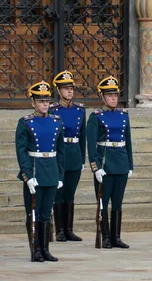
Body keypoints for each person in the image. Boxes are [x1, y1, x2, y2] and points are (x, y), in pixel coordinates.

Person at [16, 80, 64, 262]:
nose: (44, 104)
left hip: (50, 170)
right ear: (33, 103)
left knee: (45, 213)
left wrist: (60, 174)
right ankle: (35, 250)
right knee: (33, 213)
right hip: (35, 172)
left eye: (47, 101)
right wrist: (27, 175)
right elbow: (21, 152)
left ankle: (45, 249)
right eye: (41, 101)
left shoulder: (56, 122)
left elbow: (61, 152)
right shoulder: (25, 123)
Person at [87, 76, 133, 249]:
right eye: (110, 95)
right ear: (103, 97)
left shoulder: (123, 116)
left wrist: (130, 164)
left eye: (115, 95)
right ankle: (105, 236)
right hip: (105, 163)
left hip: (120, 160)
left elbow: (128, 140)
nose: (113, 98)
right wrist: (95, 166)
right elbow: (91, 145)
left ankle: (116, 236)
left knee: (118, 201)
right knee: (103, 201)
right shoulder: (96, 117)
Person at [49, 70, 86, 242]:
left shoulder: (80, 110)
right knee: (59, 193)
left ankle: (69, 229)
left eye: (71, 88)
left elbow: (83, 136)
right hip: (59, 153)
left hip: (74, 153)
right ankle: (59, 230)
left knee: (70, 193)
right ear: (58, 91)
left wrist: (82, 159)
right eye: (66, 88)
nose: (69, 91)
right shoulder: (52, 110)